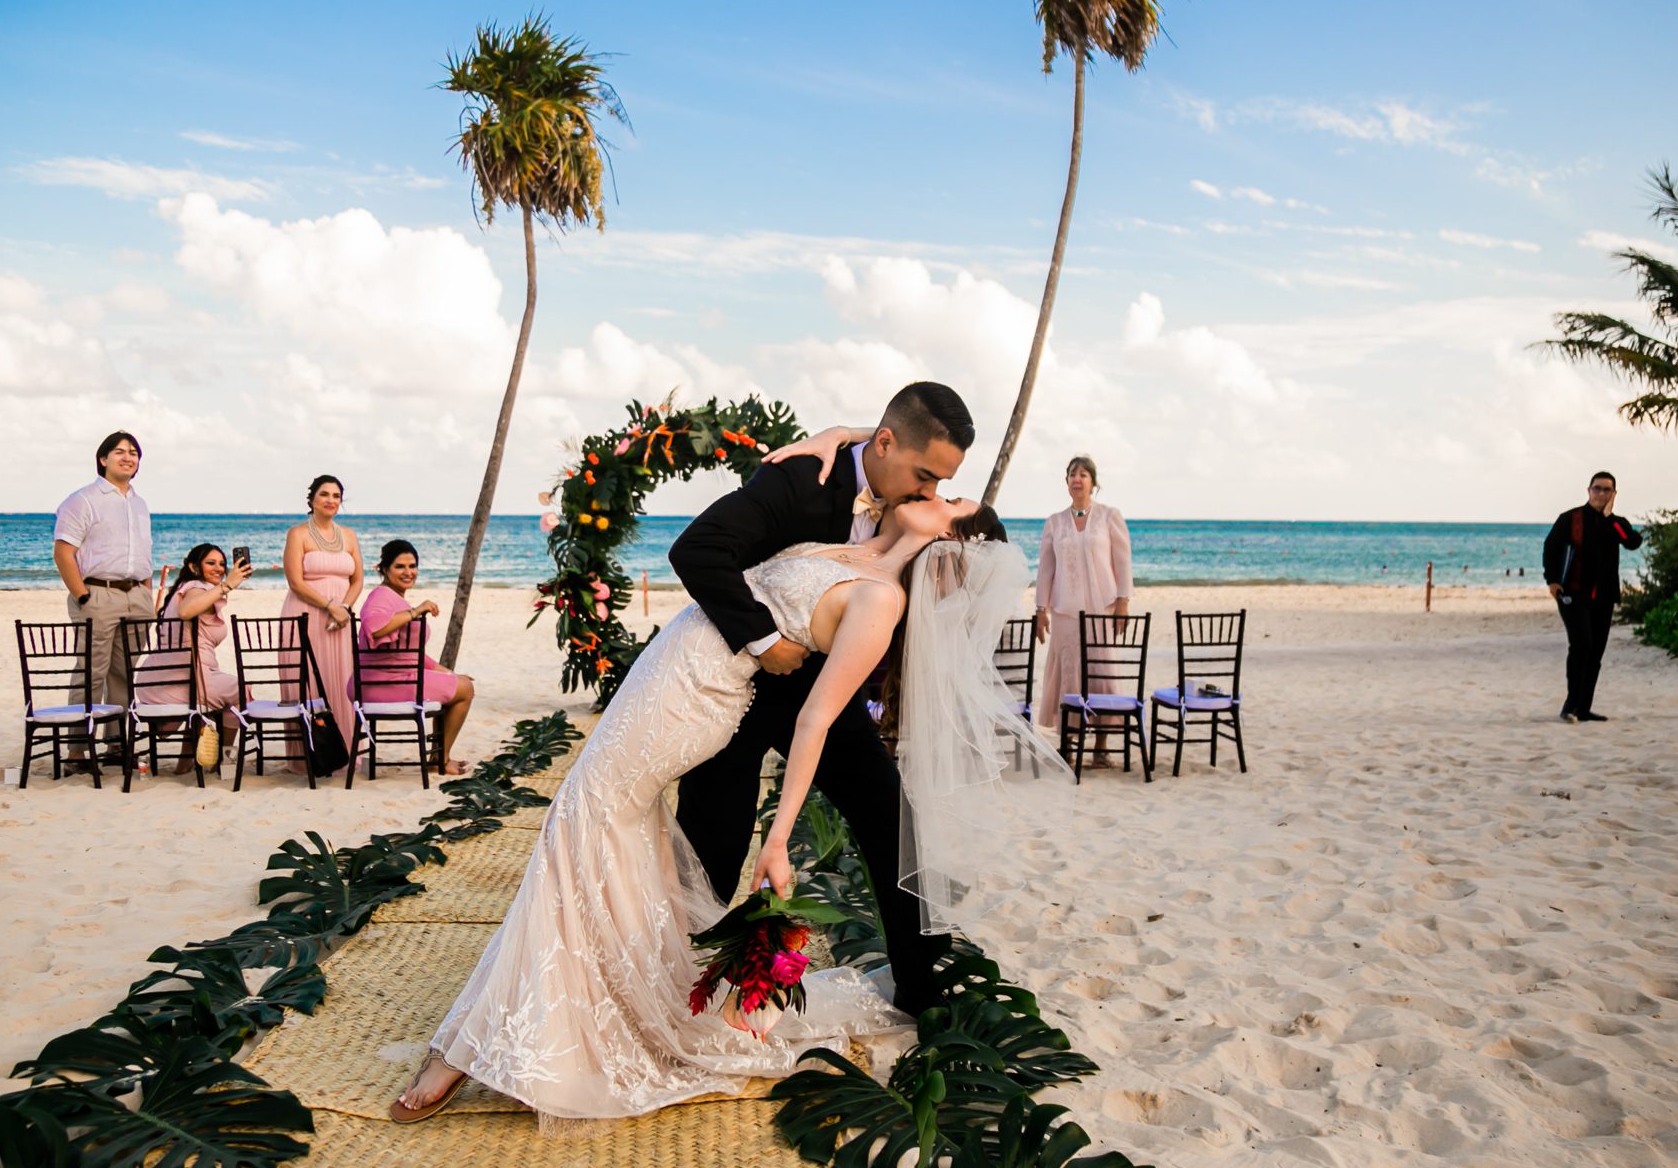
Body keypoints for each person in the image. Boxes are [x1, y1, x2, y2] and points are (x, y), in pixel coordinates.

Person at [391, 490, 1067, 1123]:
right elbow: (871, 452)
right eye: (935, 480)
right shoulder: (859, 519)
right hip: (694, 665)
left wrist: (778, 839)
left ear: (948, 543)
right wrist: (844, 444)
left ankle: (471, 1041)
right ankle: (648, 984)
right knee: (652, 833)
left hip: (738, 685)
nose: (935, 489)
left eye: (949, 498)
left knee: (594, 813)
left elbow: (818, 720)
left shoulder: (883, 592)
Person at [672, 382, 980, 1018]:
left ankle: (923, 994)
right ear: (887, 445)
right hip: (741, 686)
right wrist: (762, 639)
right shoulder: (797, 482)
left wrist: (842, 427)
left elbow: (889, 449)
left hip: (821, 687)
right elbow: (697, 551)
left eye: (939, 484)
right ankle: (673, 983)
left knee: (893, 821)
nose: (928, 494)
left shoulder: (896, 492)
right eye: (925, 477)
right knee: (713, 844)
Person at [51, 431, 154, 766]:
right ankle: (78, 749)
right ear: (103, 459)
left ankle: (115, 745)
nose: (128, 457)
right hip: (97, 593)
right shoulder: (82, 500)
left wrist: (147, 592)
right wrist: (82, 595)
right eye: (120, 451)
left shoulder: (139, 504)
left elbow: (143, 554)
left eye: (134, 453)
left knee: (124, 673)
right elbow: (64, 552)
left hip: (136, 596)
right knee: (91, 673)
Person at [1032, 456, 1134, 744]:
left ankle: (1101, 745)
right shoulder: (1054, 523)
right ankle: (1070, 743)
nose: (1077, 479)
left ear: (1093, 482)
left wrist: (1123, 602)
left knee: (1100, 673)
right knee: (1069, 674)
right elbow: (1046, 569)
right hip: (1064, 612)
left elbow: (1123, 561)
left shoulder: (1109, 516)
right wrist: (1041, 609)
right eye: (1072, 474)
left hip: (1102, 609)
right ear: (1067, 483)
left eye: (1084, 474)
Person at [357, 539, 476, 776]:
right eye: (400, 566)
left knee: (459, 684)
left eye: (412, 566)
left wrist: (447, 674)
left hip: (392, 677)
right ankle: (440, 760)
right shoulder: (381, 596)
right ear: (384, 569)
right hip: (381, 683)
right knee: (466, 690)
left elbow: (409, 654)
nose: (408, 572)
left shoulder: (394, 597)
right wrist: (415, 612)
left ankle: (437, 757)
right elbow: (374, 627)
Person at [138, 543, 251, 772]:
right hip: (184, 677)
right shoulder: (196, 589)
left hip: (154, 681)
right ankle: (225, 763)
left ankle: (184, 762)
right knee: (241, 692)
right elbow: (186, 611)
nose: (218, 568)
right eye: (211, 563)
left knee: (208, 699)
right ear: (193, 566)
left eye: (222, 563)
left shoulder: (184, 588)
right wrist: (228, 584)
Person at [1543, 471, 1644, 723]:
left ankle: (1584, 708)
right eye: (1597, 488)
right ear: (1588, 490)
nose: (1601, 493)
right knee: (1581, 645)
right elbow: (1551, 547)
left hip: (1604, 597)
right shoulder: (1571, 518)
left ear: (1614, 494)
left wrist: (1610, 518)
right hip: (1572, 594)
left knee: (1595, 652)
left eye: (1607, 490)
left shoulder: (1617, 523)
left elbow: (1633, 542)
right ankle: (1570, 705)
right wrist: (1552, 581)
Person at [280, 475, 363, 770]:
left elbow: (357, 580)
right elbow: (295, 581)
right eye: (324, 494)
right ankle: (310, 757)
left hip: (340, 620)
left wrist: (343, 608)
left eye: (336, 495)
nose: (330, 500)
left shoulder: (350, 535)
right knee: (310, 683)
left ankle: (344, 753)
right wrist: (329, 605)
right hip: (306, 616)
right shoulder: (298, 534)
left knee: (341, 681)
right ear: (312, 499)